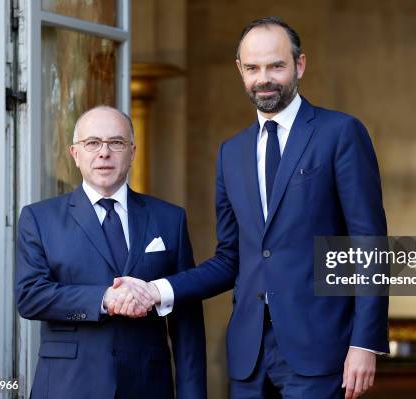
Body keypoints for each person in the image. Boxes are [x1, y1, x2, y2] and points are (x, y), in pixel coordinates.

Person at [147, 16, 388, 399]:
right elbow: (230, 258)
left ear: (299, 65)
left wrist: (365, 343)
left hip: (321, 350)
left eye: (276, 66)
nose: (265, 78)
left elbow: (369, 244)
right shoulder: (231, 153)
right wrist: (158, 290)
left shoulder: (340, 133)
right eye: (254, 68)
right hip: (248, 355)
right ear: (240, 70)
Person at [15, 106, 206, 399]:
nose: (104, 153)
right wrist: (104, 299)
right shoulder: (39, 219)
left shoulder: (169, 218)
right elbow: (30, 297)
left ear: (132, 153)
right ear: (75, 154)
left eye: (116, 143)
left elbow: (187, 321)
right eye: (92, 143)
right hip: (68, 386)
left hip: (148, 386)